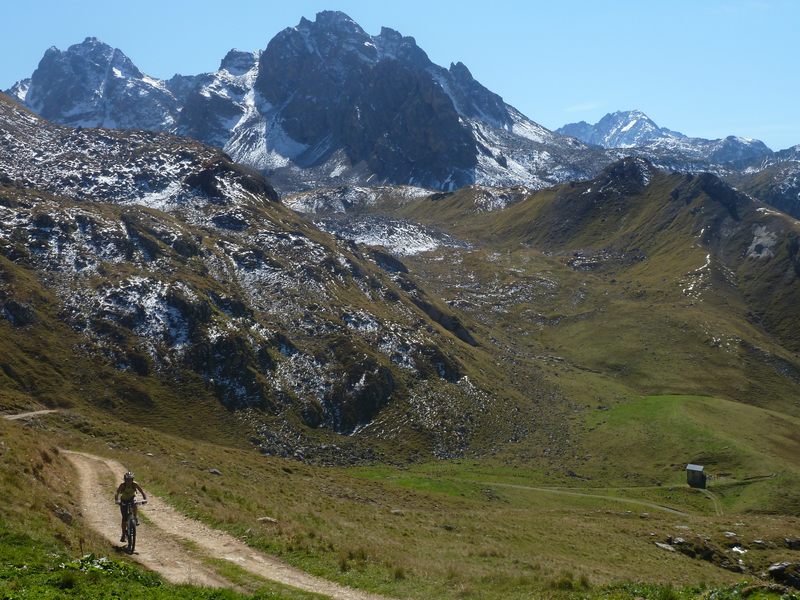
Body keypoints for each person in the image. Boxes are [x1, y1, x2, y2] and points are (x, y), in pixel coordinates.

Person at [115, 471, 147, 543]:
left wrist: (145, 499)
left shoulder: (135, 484)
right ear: (125, 480)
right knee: (124, 519)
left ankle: (135, 517)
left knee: (135, 504)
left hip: (132, 498)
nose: (129, 481)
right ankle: (123, 534)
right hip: (124, 500)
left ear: (132, 479)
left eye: (130, 479)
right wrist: (117, 500)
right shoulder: (122, 485)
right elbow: (117, 493)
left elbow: (142, 491)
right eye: (127, 479)